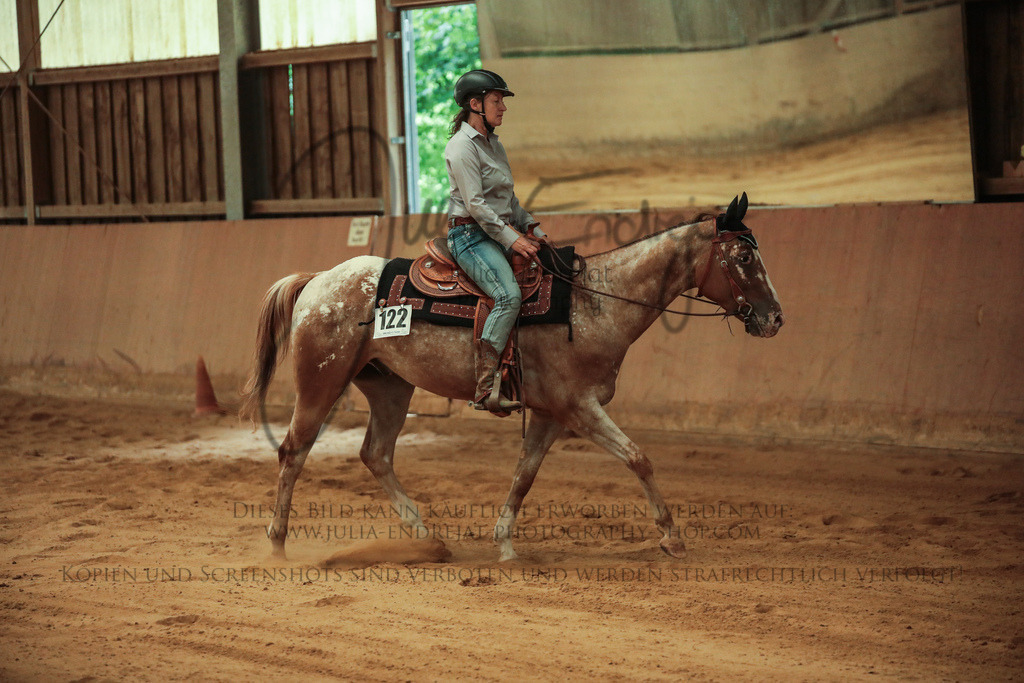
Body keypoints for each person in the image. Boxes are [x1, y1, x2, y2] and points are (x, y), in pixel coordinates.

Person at [445, 69, 548, 414]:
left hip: (498, 230)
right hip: (470, 236)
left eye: (501, 101)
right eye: (496, 100)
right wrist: (512, 239)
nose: (503, 107)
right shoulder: (461, 147)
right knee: (508, 295)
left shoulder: (494, 145)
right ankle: (486, 386)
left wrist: (532, 228)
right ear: (475, 104)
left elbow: (509, 200)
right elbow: (476, 205)